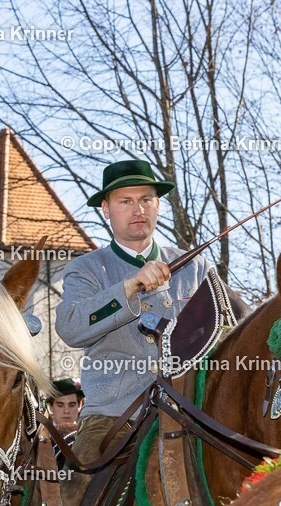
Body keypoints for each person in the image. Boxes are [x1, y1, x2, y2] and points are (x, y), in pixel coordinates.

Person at [55, 159, 209, 468]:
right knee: (80, 489)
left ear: (158, 206)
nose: (138, 209)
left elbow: (224, 332)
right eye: (125, 201)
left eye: (146, 199)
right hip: (112, 415)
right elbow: (70, 327)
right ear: (106, 210)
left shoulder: (195, 266)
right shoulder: (85, 269)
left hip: (191, 411)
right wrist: (129, 288)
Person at [48, 378, 84, 469]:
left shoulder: (86, 435)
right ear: (51, 407)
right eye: (60, 405)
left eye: (72, 405)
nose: (66, 411)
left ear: (80, 406)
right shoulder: (36, 437)